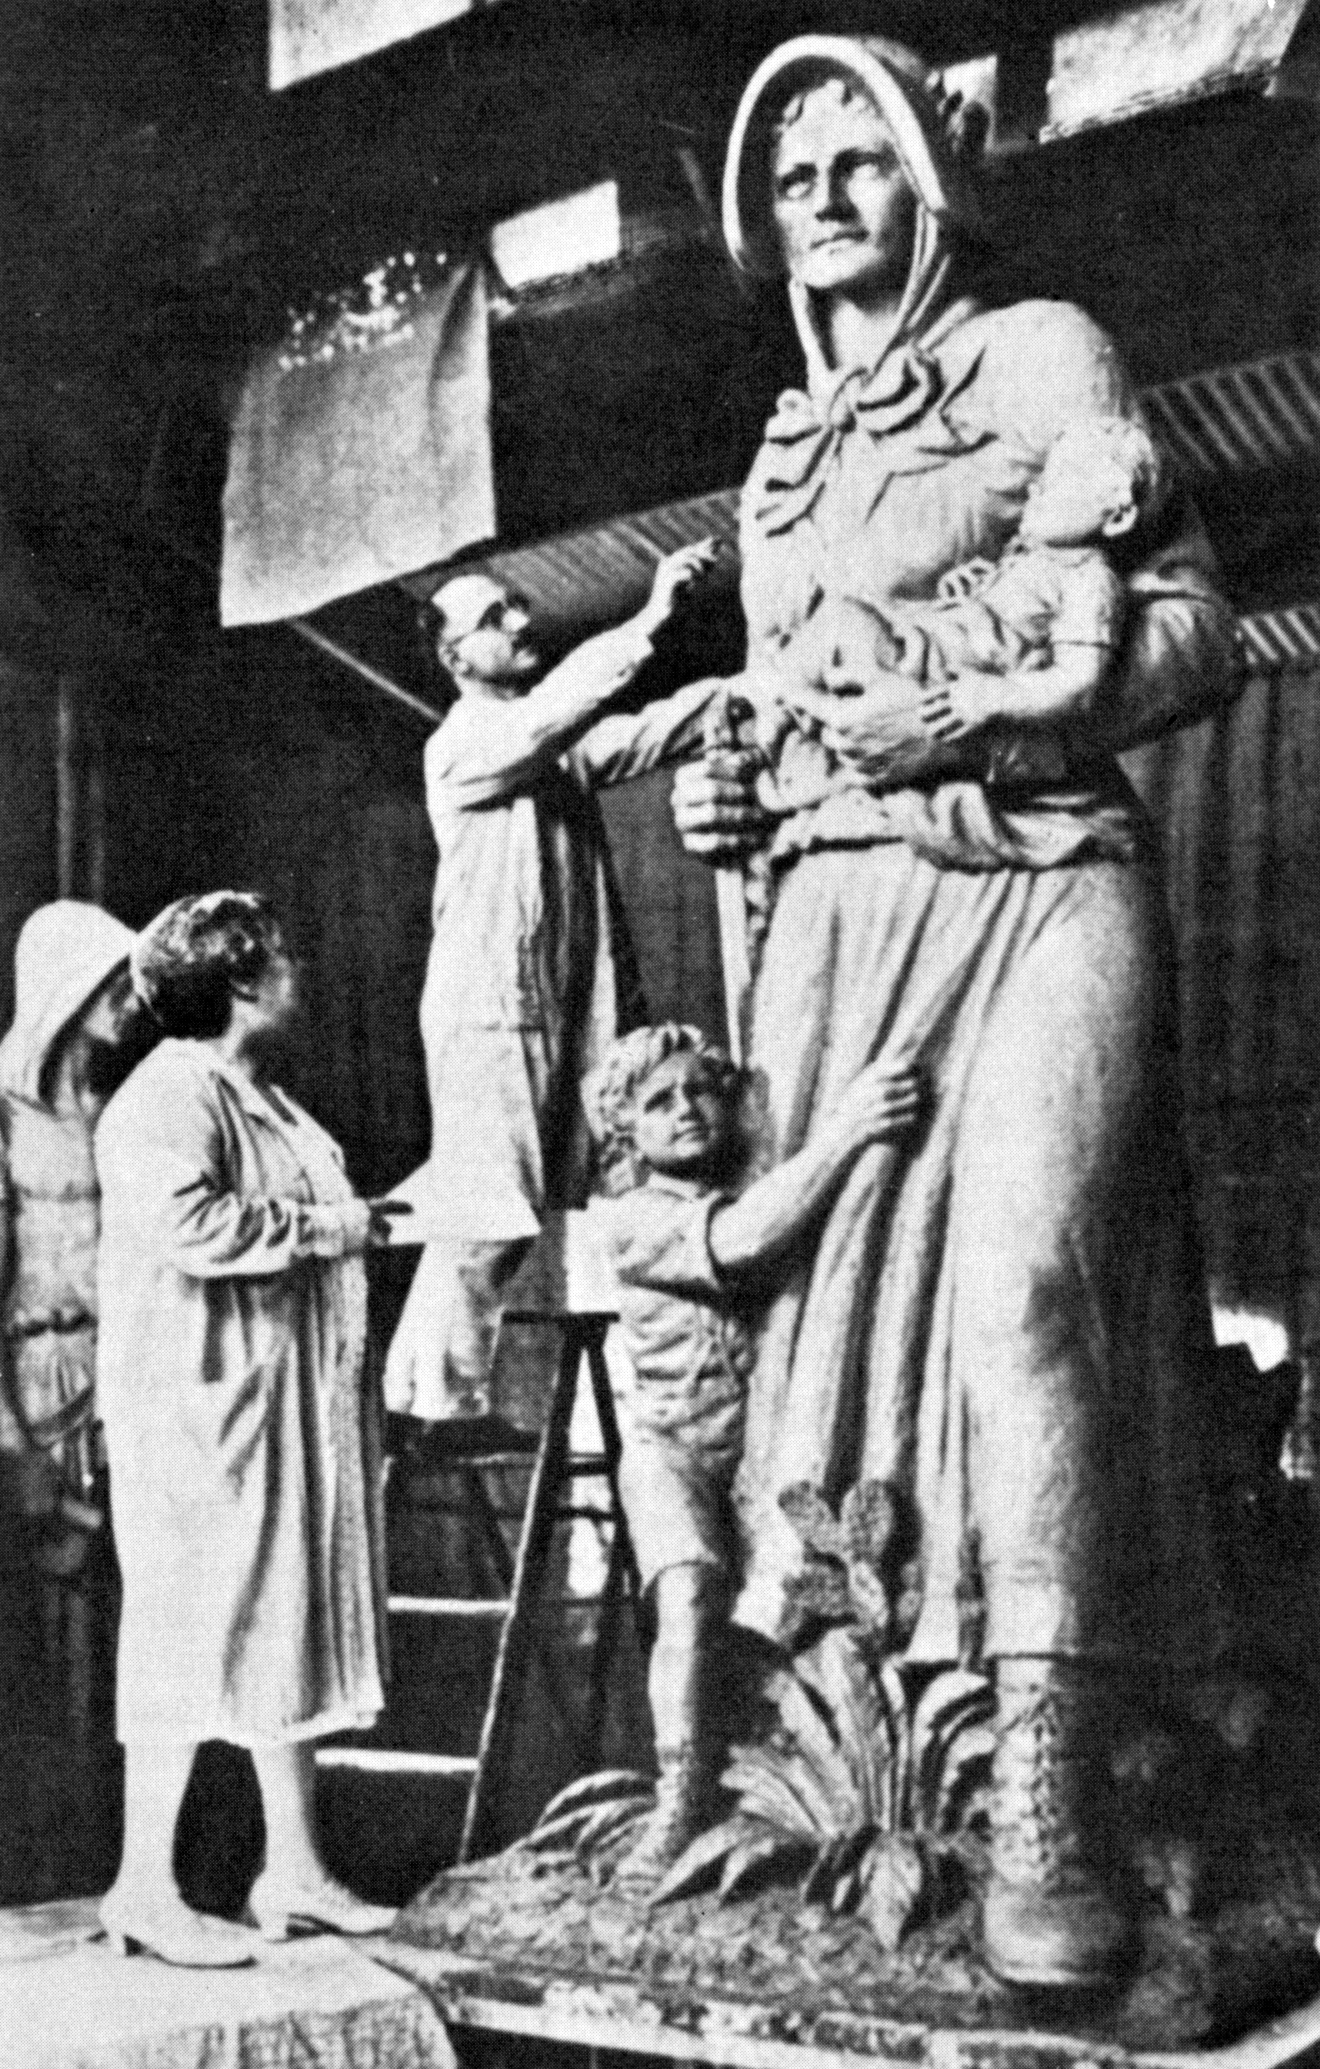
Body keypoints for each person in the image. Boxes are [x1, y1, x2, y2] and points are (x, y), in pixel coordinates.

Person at [667, 37, 1242, 1989]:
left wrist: (998, 707)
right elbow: (770, 702)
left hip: (1045, 863)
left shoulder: (1040, 352)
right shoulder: (775, 456)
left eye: (862, 156)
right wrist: (721, 789)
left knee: (1023, 1289)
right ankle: (873, 1768)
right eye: (795, 167)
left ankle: (1058, 1784)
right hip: (838, 911)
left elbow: (1188, 627)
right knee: (818, 1362)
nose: (823, 193)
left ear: (932, 179)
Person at [95, 892, 399, 1967]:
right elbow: (192, 1226)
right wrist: (333, 1229)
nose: (299, 966)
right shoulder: (167, 1095)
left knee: (283, 1619)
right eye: (281, 953)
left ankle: (296, 1868)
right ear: (237, 982)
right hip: (196, 1412)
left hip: (277, 1406)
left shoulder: (260, 1096)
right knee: (188, 1629)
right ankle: (142, 1883)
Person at [384, 544, 722, 1426]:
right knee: (487, 1208)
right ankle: (432, 1405)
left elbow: (641, 731)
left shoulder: (551, 749)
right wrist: (650, 620)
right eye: (492, 618)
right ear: (457, 659)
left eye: (515, 605)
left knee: (548, 1198)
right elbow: (549, 721)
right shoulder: (463, 744)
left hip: (552, 1008)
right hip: (490, 1013)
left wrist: (751, 694)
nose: (519, 620)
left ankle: (436, 1395)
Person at [584, 1023, 923, 1880]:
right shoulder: (630, 1218)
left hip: (758, 1451)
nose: (686, 1110)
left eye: (700, 1089)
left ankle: (756, 1779)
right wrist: (849, 1129)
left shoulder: (751, 1176)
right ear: (626, 1131)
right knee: (690, 1595)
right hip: (670, 1451)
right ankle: (677, 1797)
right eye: (659, 1102)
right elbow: (743, 1242)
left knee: (787, 1611)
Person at [0, 902, 156, 1882]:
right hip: (36, 1386)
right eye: (111, 982)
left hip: (125, 1381)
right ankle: (39, 1860)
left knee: (127, 1623)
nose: (130, 1001)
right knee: (38, 1627)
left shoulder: (116, 1110)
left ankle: (120, 1858)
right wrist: (8, 1437)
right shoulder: (1, 1117)